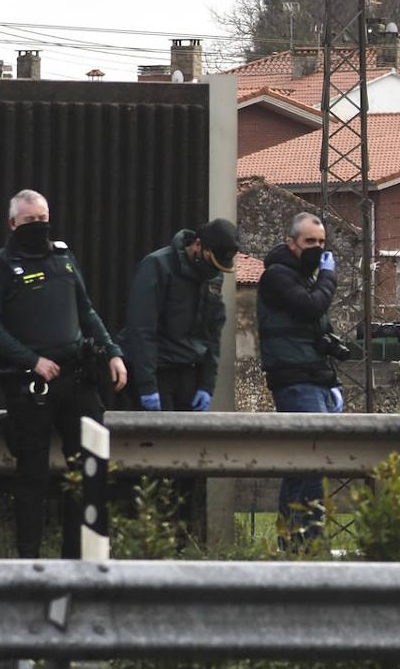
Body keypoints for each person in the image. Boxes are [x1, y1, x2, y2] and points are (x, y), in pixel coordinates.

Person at [0, 189, 127, 559]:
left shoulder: (64, 259)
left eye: (42, 220)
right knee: (33, 477)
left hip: (78, 379)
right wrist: (32, 360)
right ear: (13, 223)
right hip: (31, 386)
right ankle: (29, 564)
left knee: (89, 470)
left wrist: (113, 353)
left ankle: (80, 560)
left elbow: (86, 312)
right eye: (29, 221)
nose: (37, 227)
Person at [257, 212, 346, 540]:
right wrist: (329, 277)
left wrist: (332, 381)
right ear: (291, 243)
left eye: (322, 243)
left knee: (302, 465)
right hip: (295, 381)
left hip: (315, 378)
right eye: (310, 242)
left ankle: (291, 539)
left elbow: (315, 329)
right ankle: (306, 540)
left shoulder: (305, 278)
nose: (317, 249)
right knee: (312, 461)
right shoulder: (278, 276)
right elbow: (311, 307)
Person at [121, 219, 238, 412]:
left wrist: (206, 386)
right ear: (198, 245)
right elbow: (142, 329)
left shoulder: (212, 277)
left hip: (190, 372)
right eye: (211, 260)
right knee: (158, 440)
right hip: (159, 370)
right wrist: (147, 386)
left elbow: (213, 333)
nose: (213, 269)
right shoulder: (158, 266)